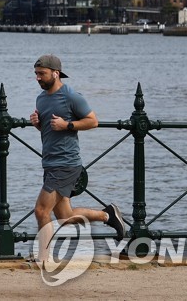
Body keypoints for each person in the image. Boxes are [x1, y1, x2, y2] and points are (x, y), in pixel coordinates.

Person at [30, 53, 125, 258]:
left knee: (41, 211)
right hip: (50, 162)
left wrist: (68, 125)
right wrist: (38, 124)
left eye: (42, 74)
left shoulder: (71, 96)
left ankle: (44, 257)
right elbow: (49, 130)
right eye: (36, 73)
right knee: (65, 216)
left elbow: (93, 121)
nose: (38, 77)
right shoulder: (41, 98)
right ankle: (107, 215)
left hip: (65, 163)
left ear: (56, 74)